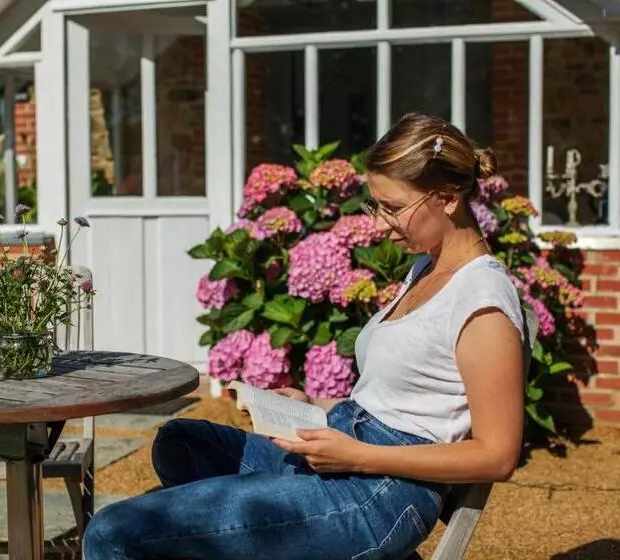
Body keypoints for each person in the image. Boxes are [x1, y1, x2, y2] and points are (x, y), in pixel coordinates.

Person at [83, 113, 527, 560]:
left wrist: (357, 457)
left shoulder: (483, 302)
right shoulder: (426, 268)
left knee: (112, 533)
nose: (379, 224)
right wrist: (314, 405)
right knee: (179, 443)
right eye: (376, 206)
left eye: (392, 208)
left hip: (378, 495)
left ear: (448, 198)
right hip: (345, 450)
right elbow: (398, 400)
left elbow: (497, 455)